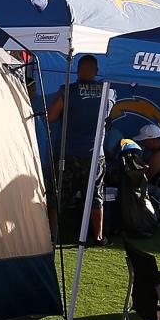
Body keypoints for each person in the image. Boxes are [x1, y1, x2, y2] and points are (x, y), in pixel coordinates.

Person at [47, 55, 113, 242]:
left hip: (68, 153)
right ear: (97, 71)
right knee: (95, 196)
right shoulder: (108, 92)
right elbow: (109, 117)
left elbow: (51, 116)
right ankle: (99, 237)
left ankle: (52, 234)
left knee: (57, 194)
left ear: (78, 70)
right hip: (95, 155)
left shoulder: (67, 91)